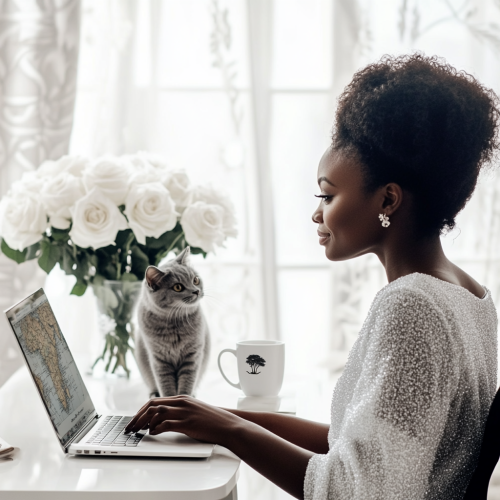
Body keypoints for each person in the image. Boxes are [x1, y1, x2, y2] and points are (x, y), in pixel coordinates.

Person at [125, 54, 499, 499]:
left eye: (327, 194)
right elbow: (360, 447)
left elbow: (351, 489)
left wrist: (229, 430)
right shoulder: (471, 297)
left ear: (388, 201)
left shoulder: (412, 307)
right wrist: (207, 414)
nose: (316, 212)